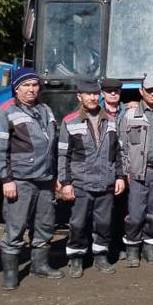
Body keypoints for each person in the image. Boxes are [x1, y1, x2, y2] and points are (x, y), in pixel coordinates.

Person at [0, 67, 63, 290]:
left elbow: (53, 145)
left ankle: (39, 265)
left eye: (34, 85)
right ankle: (11, 274)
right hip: (20, 179)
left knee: (45, 224)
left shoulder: (45, 110)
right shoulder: (6, 112)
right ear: (16, 88)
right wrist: (6, 179)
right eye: (26, 86)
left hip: (45, 178)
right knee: (16, 226)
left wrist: (57, 176)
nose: (32, 89)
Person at [58, 79, 126, 277]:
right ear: (79, 96)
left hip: (106, 182)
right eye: (88, 94)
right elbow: (63, 155)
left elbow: (119, 152)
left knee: (104, 223)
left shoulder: (112, 121)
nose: (92, 97)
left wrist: (120, 176)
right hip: (80, 183)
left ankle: (100, 256)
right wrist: (65, 183)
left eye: (95, 94)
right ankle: (76, 259)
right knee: (78, 223)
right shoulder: (69, 121)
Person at [119, 74, 153, 267]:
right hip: (136, 173)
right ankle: (132, 248)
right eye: (149, 90)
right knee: (135, 214)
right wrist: (125, 173)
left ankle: (149, 247)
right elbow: (122, 146)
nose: (152, 94)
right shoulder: (129, 115)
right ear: (141, 91)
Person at [100, 77, 129, 261]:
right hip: (102, 167)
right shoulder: (96, 111)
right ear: (102, 93)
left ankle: (117, 245)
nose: (113, 94)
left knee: (121, 209)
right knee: (101, 211)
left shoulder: (127, 112)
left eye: (116, 91)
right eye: (109, 91)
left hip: (124, 166)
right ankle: (99, 248)